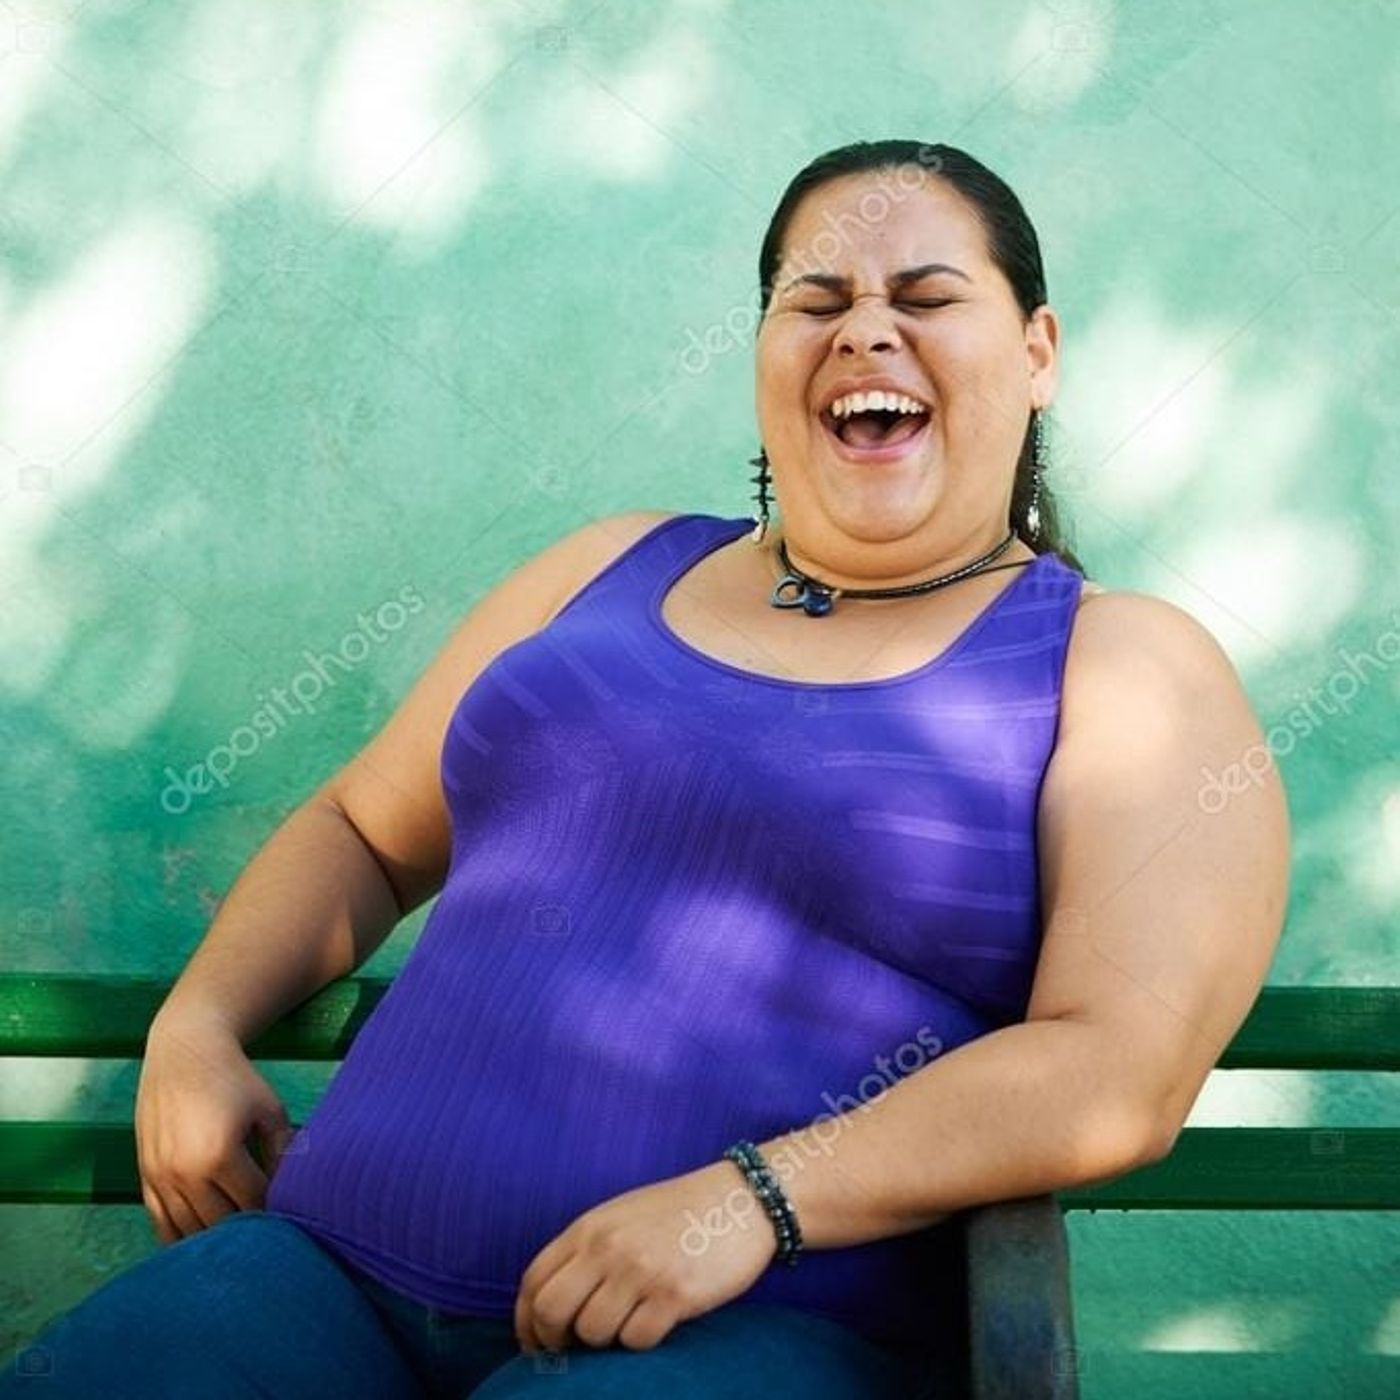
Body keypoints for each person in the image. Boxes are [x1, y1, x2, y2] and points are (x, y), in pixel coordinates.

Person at [3, 139, 1289, 1398]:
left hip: (749, 1333)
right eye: (816, 300)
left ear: (1036, 353)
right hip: (320, 1277)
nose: (864, 331)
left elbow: (1117, 1063)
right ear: (764, 356)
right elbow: (362, 825)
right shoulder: (604, 567)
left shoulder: (1115, 663)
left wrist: (751, 1201)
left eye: (926, 297)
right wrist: (199, 1022)